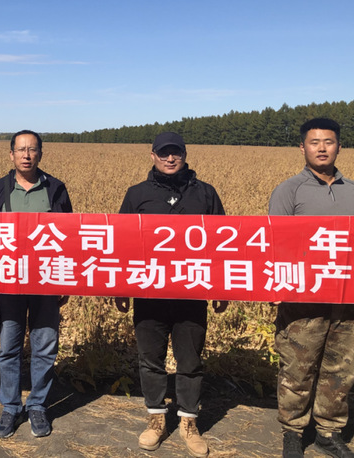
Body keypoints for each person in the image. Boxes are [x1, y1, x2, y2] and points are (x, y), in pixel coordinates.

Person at [269, 118, 354, 458]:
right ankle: (293, 432)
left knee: (341, 368)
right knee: (297, 367)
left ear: (339, 146)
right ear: (302, 148)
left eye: (329, 141)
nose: (322, 148)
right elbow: (275, 241)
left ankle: (328, 431)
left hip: (347, 294)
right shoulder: (289, 190)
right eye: (314, 142)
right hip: (302, 297)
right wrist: (276, 286)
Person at [114, 132, 227, 457]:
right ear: (153, 156)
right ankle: (156, 420)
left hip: (192, 293)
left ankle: (189, 423)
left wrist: (222, 287)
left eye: (175, 152)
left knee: (190, 361)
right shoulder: (137, 194)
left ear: (185, 155)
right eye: (164, 153)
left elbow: (223, 242)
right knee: (151, 360)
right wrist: (119, 286)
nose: (170, 158)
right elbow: (121, 242)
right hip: (148, 293)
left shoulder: (205, 193)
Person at [0, 129, 72, 438]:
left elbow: (69, 236)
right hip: (8, 282)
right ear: (11, 154)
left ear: (40, 154)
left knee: (45, 347)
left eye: (32, 149)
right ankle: (10, 407)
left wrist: (65, 280)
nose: (26, 155)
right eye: (21, 149)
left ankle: (37, 406)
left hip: (46, 281)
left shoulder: (56, 188)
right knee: (9, 348)